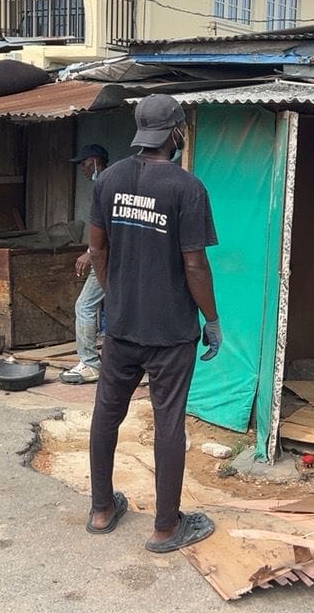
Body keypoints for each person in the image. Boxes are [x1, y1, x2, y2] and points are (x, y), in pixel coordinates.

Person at [86, 93, 222, 553]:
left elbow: (97, 250)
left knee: (107, 413)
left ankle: (102, 509)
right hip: (170, 334)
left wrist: (115, 295)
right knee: (169, 424)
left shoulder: (107, 180)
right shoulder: (188, 188)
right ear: (176, 132)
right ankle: (166, 528)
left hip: (122, 326)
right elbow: (195, 265)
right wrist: (213, 318)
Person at [62, 143, 110, 385]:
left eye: (83, 163)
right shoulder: (109, 183)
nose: (82, 168)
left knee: (84, 306)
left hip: (108, 259)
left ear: (95, 161)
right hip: (116, 257)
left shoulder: (104, 185)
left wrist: (90, 254)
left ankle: (90, 364)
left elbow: (108, 229)